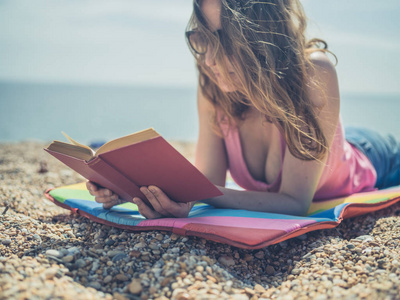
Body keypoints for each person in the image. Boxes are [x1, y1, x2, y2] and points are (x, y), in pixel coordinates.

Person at [86, 0, 400, 218]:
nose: (209, 59)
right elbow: (209, 180)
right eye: (203, 39)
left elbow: (295, 202)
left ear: (262, 33)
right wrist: (138, 191)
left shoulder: (313, 72)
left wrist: (196, 194)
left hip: (373, 157)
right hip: (337, 145)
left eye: (224, 39)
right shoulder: (213, 84)